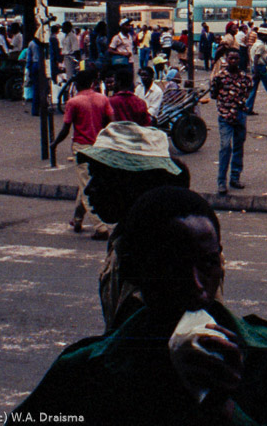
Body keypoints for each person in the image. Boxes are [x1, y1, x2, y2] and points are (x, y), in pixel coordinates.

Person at [17, 187, 267, 425]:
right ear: (135, 271)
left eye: (208, 263)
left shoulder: (265, 355)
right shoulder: (86, 371)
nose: (198, 287)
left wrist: (222, 408)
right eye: (175, 269)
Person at [75, 121, 190, 331]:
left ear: (134, 184)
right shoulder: (126, 237)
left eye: (101, 177)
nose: (89, 189)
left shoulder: (167, 254)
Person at [52, 67, 115, 238]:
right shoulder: (102, 99)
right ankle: (77, 218)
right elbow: (111, 123)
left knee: (87, 187)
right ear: (93, 83)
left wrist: (55, 143)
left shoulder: (74, 102)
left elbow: (66, 128)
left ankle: (100, 227)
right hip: (100, 146)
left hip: (82, 147)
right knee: (86, 183)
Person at [210, 48, 253, 195]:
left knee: (238, 147)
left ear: (239, 60)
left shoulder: (245, 78)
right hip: (225, 116)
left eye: (236, 58)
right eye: (231, 58)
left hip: (240, 115)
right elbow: (214, 94)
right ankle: (221, 181)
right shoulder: (219, 77)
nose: (233, 61)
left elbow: (247, 92)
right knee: (225, 147)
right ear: (226, 60)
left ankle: (235, 177)